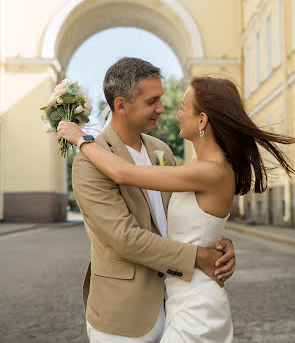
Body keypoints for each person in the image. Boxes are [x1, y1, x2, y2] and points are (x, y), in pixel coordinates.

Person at [57, 58, 237, 343]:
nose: (162, 109)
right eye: (152, 101)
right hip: (125, 316)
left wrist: (218, 240)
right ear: (121, 105)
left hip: (178, 304)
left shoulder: (161, 149)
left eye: (162, 99)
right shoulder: (91, 161)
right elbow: (125, 238)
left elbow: (185, 211)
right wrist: (199, 256)